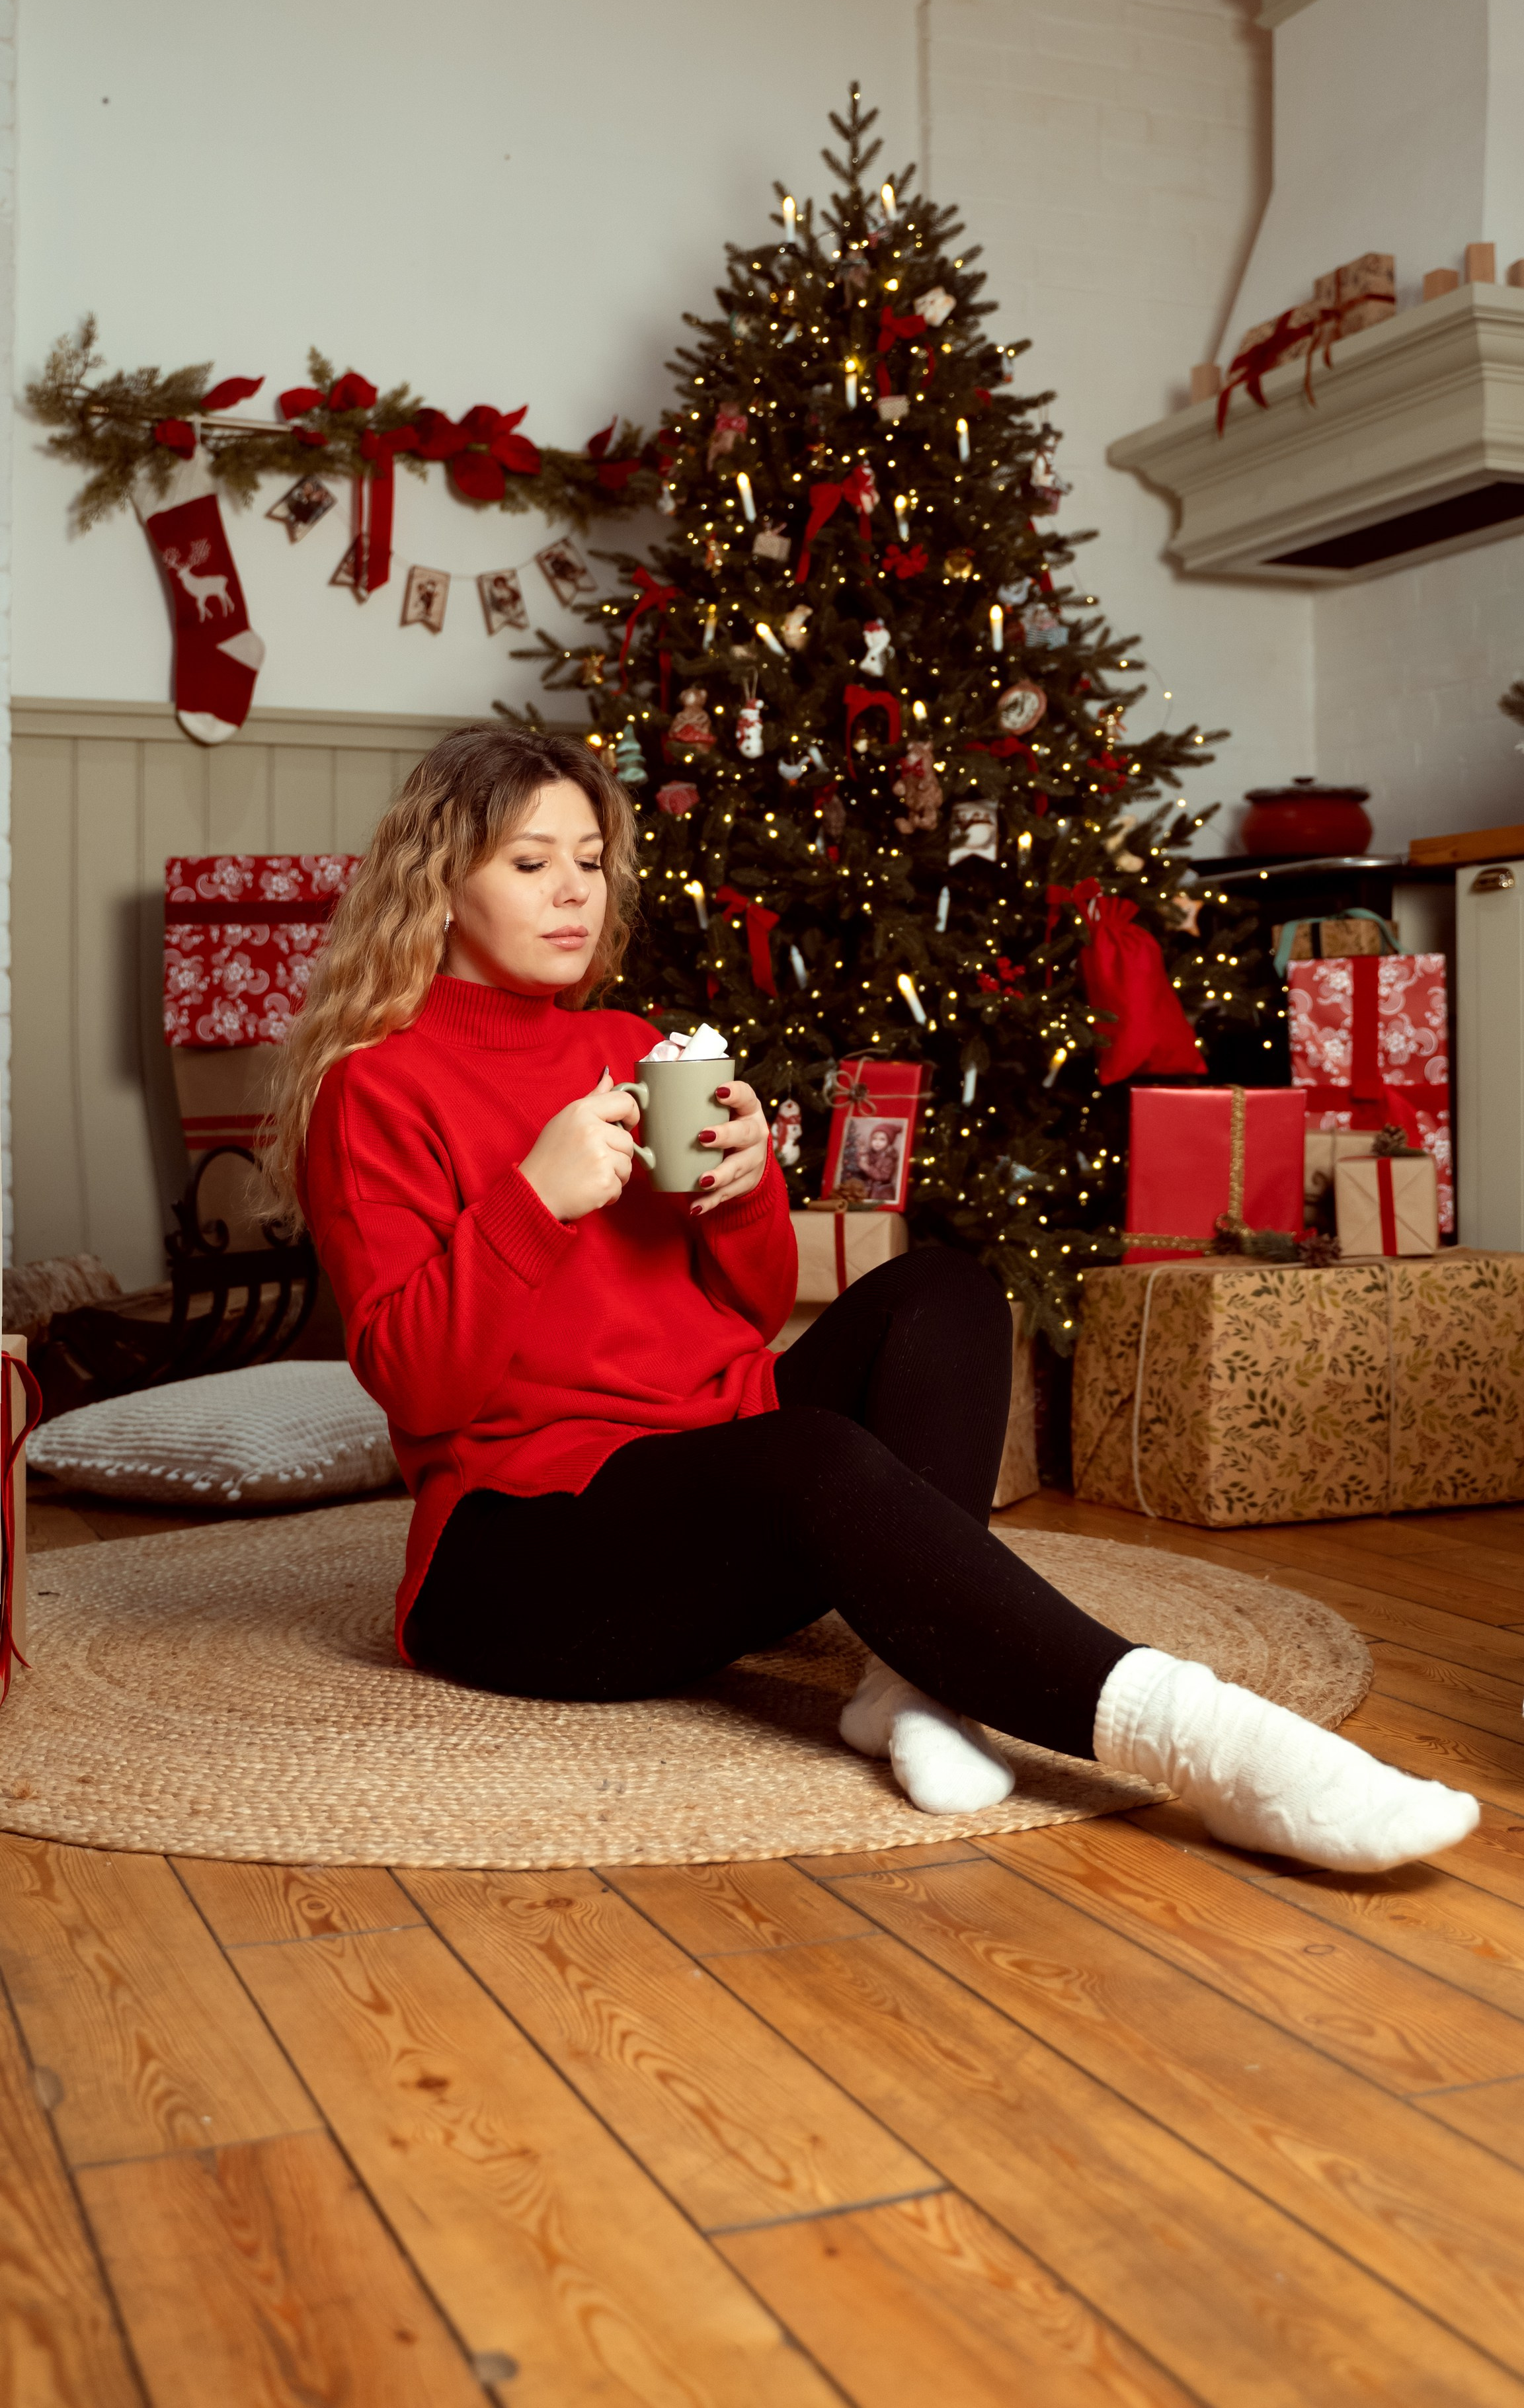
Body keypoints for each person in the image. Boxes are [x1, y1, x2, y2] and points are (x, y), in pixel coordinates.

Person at [266, 723, 1479, 1871]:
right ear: (439, 885)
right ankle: (1218, 1752)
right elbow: (418, 1383)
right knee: (810, 1458)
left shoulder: (629, 1042)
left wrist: (742, 1196)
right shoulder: (376, 1088)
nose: (575, 891)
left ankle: (914, 1678)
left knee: (944, 1290)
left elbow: (740, 1315)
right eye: (531, 863)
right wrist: (534, 1199)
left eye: (589, 859)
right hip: (524, 1558)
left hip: (721, 1483)